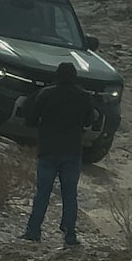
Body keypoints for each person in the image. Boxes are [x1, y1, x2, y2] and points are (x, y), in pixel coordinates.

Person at [19, 61, 97, 246]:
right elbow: (90, 120)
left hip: (48, 150)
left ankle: (33, 232)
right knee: (70, 195)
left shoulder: (46, 94)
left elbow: (31, 118)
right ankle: (70, 235)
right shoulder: (83, 96)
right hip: (72, 152)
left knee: (42, 194)